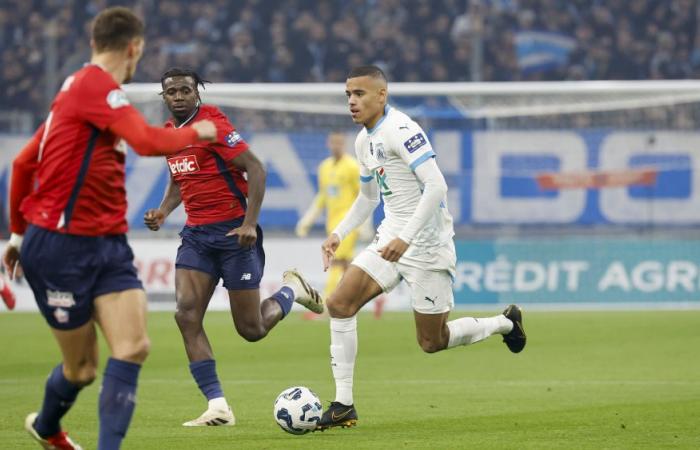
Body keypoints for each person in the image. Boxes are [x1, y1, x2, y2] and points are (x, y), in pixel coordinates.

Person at [2, 8, 218, 450]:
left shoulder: (80, 94)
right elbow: (146, 141)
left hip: (107, 244)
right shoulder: (93, 86)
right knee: (80, 370)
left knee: (134, 346)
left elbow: (25, 162)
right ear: (134, 47)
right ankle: (47, 426)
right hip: (60, 245)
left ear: (92, 43)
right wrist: (200, 132)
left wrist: (15, 234)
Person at [316, 65, 527, 430]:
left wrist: (408, 237)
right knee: (339, 303)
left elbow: (436, 187)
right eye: (348, 94)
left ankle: (505, 323)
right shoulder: (363, 141)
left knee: (432, 341)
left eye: (360, 94)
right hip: (390, 238)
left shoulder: (402, 129)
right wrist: (339, 232)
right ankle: (343, 405)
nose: (352, 101)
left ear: (381, 95)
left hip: (427, 244)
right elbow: (367, 198)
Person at [143, 67, 324, 427]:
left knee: (251, 329)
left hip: (233, 235)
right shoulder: (169, 135)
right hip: (196, 236)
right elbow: (180, 178)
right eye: (172, 92)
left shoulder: (214, 126)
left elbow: (256, 169)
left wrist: (250, 224)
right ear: (163, 97)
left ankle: (292, 289)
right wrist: (164, 211)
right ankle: (218, 405)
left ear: (198, 94)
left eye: (185, 90)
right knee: (185, 314)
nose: (178, 96)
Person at [295, 132, 385, 319]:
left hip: (348, 224)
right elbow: (322, 197)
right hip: (332, 224)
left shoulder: (353, 166)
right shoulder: (324, 168)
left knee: (335, 262)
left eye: (339, 142)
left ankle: (324, 308)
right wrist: (307, 221)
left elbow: (365, 196)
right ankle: (377, 298)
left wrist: (364, 225)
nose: (336, 145)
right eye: (333, 142)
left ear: (343, 144)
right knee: (346, 267)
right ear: (329, 143)